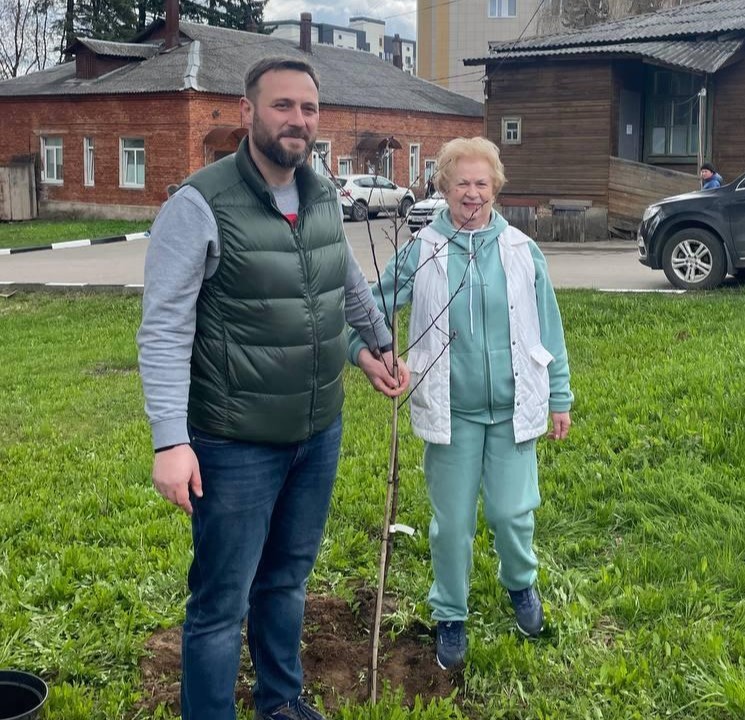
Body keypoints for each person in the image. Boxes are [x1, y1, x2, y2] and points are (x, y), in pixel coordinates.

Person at [136, 57, 409, 720]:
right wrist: (171, 440)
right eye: (283, 105)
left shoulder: (319, 194)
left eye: (309, 109)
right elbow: (164, 328)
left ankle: (280, 701)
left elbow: (343, 281)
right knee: (220, 602)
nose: (298, 120)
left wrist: (376, 345)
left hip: (317, 431)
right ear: (247, 113)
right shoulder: (198, 205)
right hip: (235, 443)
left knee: (286, 581)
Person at [348, 136, 573, 671]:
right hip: (452, 410)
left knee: (511, 512)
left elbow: (549, 327)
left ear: (495, 187)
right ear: (444, 187)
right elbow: (370, 306)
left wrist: (559, 395)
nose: (471, 194)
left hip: (513, 407)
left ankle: (521, 585)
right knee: (452, 524)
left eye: (481, 183)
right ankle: (451, 613)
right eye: (461, 183)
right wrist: (365, 351)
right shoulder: (422, 249)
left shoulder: (520, 250)